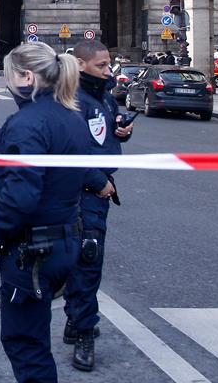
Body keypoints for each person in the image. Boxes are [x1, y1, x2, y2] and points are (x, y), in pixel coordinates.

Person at [0, 43, 86, 383]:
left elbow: (22, 194)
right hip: (65, 238)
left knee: (25, 343)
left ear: (27, 77)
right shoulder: (71, 115)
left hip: (32, 249)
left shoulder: (26, 123)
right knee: (35, 340)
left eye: (9, 75)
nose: (7, 83)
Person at [64, 40, 133, 372]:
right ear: (79, 64)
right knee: (87, 257)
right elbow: (69, 150)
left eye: (109, 65)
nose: (109, 71)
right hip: (82, 190)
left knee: (84, 259)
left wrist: (122, 130)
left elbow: (104, 132)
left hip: (97, 190)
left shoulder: (102, 95)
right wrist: (97, 181)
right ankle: (83, 331)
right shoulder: (71, 100)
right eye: (102, 66)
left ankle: (76, 317)